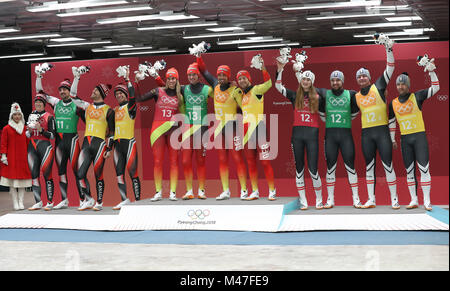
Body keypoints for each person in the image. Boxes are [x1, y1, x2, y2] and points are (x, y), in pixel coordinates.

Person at [388, 58, 440, 211]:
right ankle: (413, 200)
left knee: (424, 168)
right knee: (409, 170)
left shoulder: (417, 96)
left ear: (408, 85)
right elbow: (391, 122)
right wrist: (392, 139)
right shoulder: (393, 103)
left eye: (403, 83)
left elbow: (435, 88)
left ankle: (427, 201)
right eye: (398, 84)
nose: (400, 86)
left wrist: (431, 72)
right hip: (405, 139)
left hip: (419, 137)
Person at [354, 36, 400, 209]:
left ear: (369, 77)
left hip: (382, 133)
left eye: (364, 76)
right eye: (359, 77)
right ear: (357, 79)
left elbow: (390, 67)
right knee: (369, 168)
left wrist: (388, 49)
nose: (362, 78)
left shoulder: (379, 86)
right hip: (367, 134)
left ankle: (394, 199)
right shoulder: (356, 96)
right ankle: (371, 199)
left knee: (388, 165)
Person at [36, 66, 90, 210]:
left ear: (69, 90)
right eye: (60, 90)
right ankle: (64, 200)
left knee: (77, 171)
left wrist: (77, 78)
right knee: (61, 171)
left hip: (72, 140)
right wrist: (39, 76)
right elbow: (40, 93)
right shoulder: (55, 102)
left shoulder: (76, 103)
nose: (62, 92)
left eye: (65, 89)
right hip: (59, 142)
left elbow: (88, 111)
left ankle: (84, 199)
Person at [196, 55, 249, 200]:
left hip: (233, 127)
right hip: (219, 128)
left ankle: (244, 190)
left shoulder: (235, 90)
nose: (220, 77)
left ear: (228, 76)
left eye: (223, 75)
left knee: (237, 158)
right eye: (219, 75)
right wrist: (198, 55)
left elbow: (245, 109)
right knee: (222, 160)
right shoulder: (215, 85)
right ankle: (226, 190)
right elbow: (203, 71)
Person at [275, 61, 323, 209]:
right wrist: (280, 69)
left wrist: (298, 73)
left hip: (312, 136)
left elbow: (310, 91)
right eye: (304, 79)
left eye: (308, 79)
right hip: (297, 136)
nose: (306, 81)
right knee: (299, 169)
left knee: (313, 170)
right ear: (301, 81)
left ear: (312, 82)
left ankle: (319, 199)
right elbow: (278, 87)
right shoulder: (295, 96)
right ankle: (303, 201)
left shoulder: (318, 96)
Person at [135, 67, 185, 202]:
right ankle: (158, 192)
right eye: (169, 78)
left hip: (173, 131)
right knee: (158, 162)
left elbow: (183, 115)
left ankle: (173, 192)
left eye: (173, 78)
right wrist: (136, 82)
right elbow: (139, 99)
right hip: (157, 130)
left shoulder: (180, 95)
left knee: (174, 162)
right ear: (166, 79)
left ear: (177, 80)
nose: (171, 81)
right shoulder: (158, 91)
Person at [316, 70, 362, 208]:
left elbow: (355, 113)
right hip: (330, 136)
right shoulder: (324, 93)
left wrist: (344, 119)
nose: (335, 82)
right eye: (332, 80)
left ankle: (356, 198)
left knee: (351, 167)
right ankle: (330, 199)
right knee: (330, 168)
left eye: (338, 80)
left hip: (345, 135)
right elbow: (309, 86)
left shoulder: (351, 94)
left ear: (342, 81)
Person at [71, 74, 115, 211]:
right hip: (86, 142)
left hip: (100, 144)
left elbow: (113, 132)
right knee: (80, 174)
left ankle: (99, 202)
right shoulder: (86, 106)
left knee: (98, 175)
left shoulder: (109, 110)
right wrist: (76, 77)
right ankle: (89, 199)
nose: (92, 92)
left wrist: (109, 148)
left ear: (101, 93)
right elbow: (73, 96)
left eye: (95, 90)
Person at [237, 55, 276, 201]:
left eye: (244, 78)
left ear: (249, 79)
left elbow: (269, 83)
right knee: (251, 162)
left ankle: (272, 190)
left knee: (265, 161)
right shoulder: (242, 95)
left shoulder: (256, 90)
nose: (242, 80)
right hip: (246, 132)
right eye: (239, 79)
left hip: (259, 129)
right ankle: (255, 191)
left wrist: (263, 68)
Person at [111, 67, 141, 210]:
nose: (118, 96)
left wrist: (128, 80)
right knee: (119, 173)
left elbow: (133, 96)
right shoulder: (115, 110)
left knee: (132, 173)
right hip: (117, 145)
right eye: (116, 94)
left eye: (121, 93)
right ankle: (124, 199)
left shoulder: (130, 107)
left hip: (129, 142)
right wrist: (108, 147)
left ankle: (138, 200)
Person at [26, 94, 56, 211]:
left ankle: (49, 202)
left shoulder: (49, 117)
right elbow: (28, 134)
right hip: (32, 146)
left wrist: (41, 130)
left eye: (40, 102)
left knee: (47, 174)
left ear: (44, 104)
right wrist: (28, 131)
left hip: (45, 147)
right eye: (36, 102)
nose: (38, 104)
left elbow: (53, 135)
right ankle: (38, 202)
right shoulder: (31, 115)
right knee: (34, 175)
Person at [1, 103, 32, 210]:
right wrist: (4, 156)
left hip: (23, 158)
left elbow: (29, 144)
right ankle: (15, 202)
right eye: (15, 115)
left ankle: (21, 201)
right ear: (11, 116)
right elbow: (3, 143)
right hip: (11, 159)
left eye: (19, 114)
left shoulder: (25, 129)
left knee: (22, 182)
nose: (17, 117)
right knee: (13, 182)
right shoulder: (6, 129)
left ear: (21, 116)